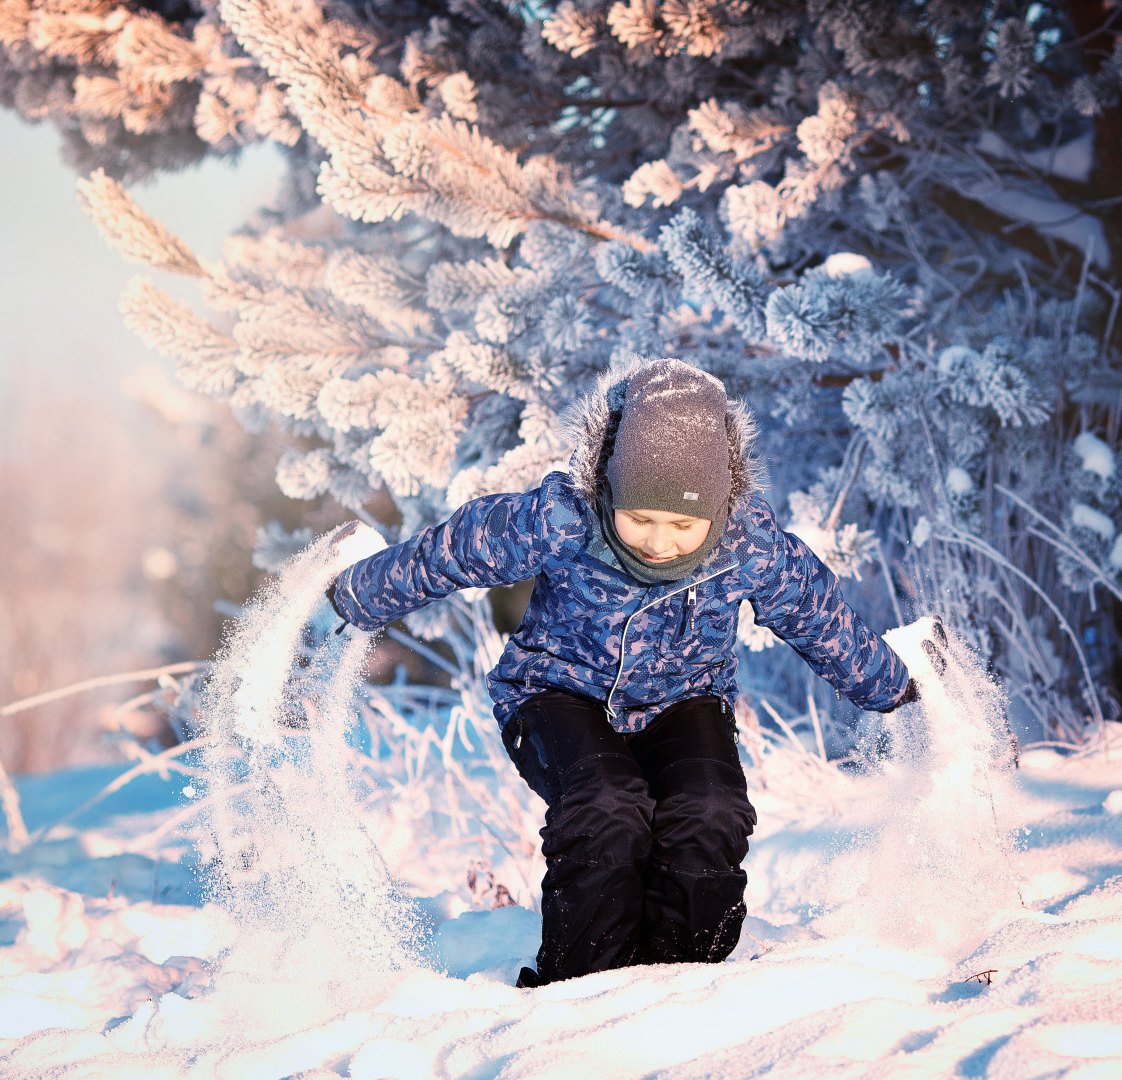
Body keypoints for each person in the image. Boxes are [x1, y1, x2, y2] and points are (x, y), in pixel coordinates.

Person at [329, 358, 917, 986]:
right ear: (610, 488)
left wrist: (902, 692)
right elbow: (453, 551)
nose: (659, 544)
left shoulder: (752, 547)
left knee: (709, 810)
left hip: (683, 700)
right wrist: (355, 595)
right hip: (555, 694)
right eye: (639, 519)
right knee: (606, 805)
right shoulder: (563, 519)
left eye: (684, 526)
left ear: (717, 513)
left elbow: (819, 619)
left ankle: (678, 985)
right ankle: (583, 988)